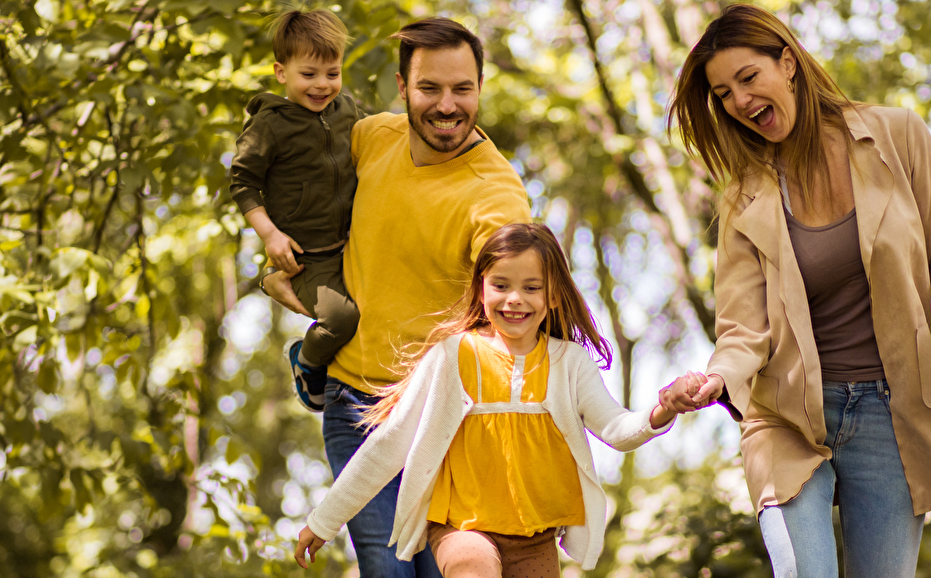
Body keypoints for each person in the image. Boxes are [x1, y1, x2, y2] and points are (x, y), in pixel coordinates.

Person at [657, 3, 931, 578]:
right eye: (722, 93)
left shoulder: (896, 136)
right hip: (786, 418)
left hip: (890, 413)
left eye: (748, 78)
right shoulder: (745, 196)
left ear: (787, 63)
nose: (739, 101)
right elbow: (744, 328)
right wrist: (718, 378)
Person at [270, 17, 533, 577]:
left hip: (443, 417)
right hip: (353, 404)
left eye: (463, 89)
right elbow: (303, 194)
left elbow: (514, 304)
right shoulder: (371, 138)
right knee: (384, 568)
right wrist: (282, 272)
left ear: (480, 88)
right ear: (402, 87)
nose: (447, 105)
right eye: (430, 88)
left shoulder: (497, 194)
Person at [292, 223, 688, 577]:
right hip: (462, 529)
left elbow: (616, 429)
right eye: (501, 285)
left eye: (532, 288)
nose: (515, 299)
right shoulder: (453, 356)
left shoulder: (569, 363)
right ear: (481, 288)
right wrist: (324, 522)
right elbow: (389, 443)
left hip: (535, 538)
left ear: (552, 296)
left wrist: (662, 410)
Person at [230, 8, 367, 412]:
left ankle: (277, 287)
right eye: (309, 74)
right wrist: (270, 234)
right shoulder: (270, 125)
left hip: (351, 239)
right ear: (281, 72)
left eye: (332, 72)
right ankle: (305, 360)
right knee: (341, 320)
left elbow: (374, 138)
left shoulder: (346, 110)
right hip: (308, 255)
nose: (323, 85)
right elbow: (242, 182)